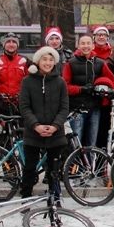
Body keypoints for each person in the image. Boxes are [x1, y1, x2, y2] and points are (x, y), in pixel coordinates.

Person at [18, 46, 69, 199]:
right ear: (38, 61)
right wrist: (36, 125)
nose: (47, 63)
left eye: (51, 60)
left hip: (55, 133)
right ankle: (25, 196)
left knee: (54, 169)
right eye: (44, 59)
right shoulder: (27, 81)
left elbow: (64, 107)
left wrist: (55, 126)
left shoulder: (60, 82)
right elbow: (24, 107)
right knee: (29, 168)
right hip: (33, 132)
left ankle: (55, 197)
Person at [62, 35, 114, 148]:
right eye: (82, 43)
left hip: (95, 107)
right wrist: (81, 89)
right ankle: (75, 165)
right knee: (77, 143)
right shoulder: (70, 63)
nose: (85, 46)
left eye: (88, 43)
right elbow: (65, 87)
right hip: (76, 109)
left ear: (93, 46)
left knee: (92, 141)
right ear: (78, 46)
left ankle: (90, 165)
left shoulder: (100, 63)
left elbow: (113, 80)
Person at [0, 33, 29, 146]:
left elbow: (31, 82)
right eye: (8, 42)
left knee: (23, 135)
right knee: (4, 137)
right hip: (1, 103)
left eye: (14, 42)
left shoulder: (25, 61)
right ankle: (6, 161)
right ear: (3, 45)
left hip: (20, 103)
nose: (11, 44)